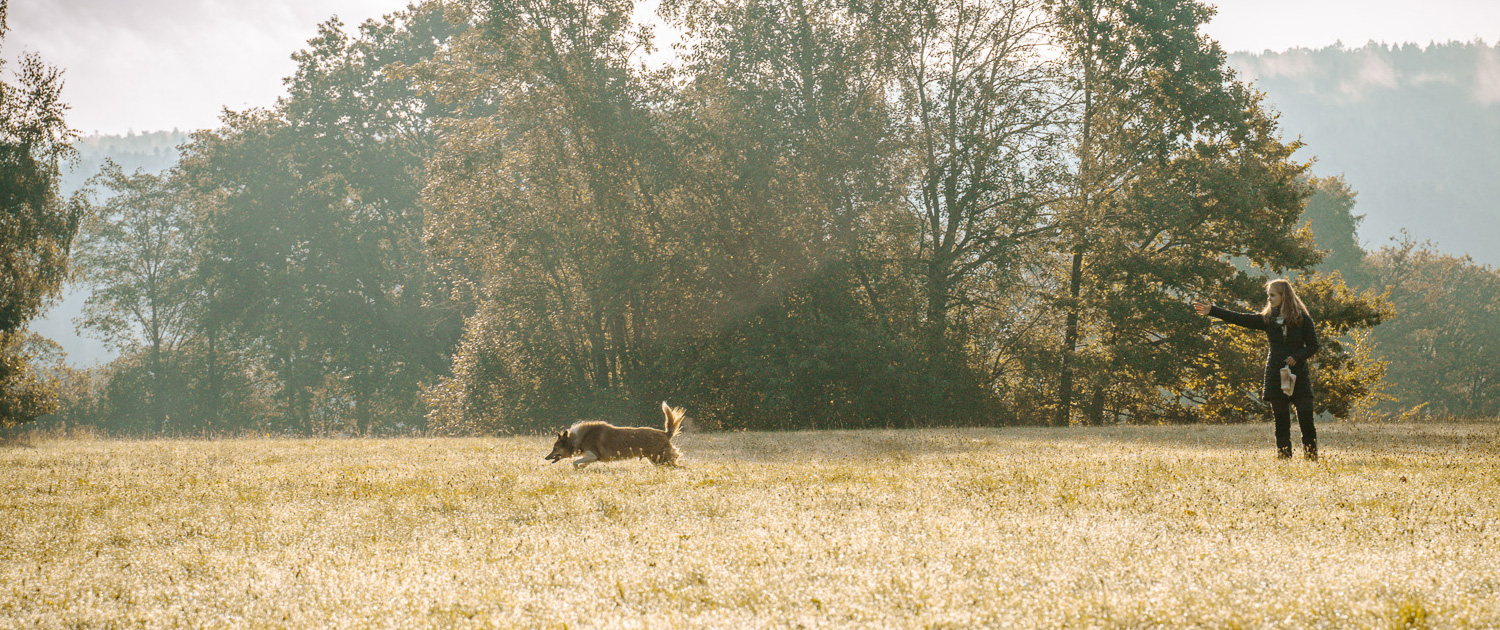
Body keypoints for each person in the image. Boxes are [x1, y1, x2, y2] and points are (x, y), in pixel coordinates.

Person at [1192, 279, 1321, 460]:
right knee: (1281, 424)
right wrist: (1213, 310)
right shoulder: (1267, 319)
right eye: (1268, 295)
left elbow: (1313, 345)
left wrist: (1297, 357)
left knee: (1307, 421)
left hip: (1299, 376)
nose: (1269, 299)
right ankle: (1285, 461)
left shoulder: (1302, 319)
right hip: (1275, 376)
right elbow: (1240, 318)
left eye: (1272, 295)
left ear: (1284, 296)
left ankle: (1311, 459)